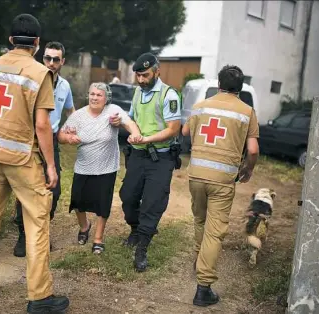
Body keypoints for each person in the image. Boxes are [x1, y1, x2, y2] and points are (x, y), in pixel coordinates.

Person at [0, 13, 69, 313]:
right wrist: (51, 165)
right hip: (21, 159)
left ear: (11, 40)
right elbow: (42, 125)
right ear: (37, 44)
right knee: (37, 222)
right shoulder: (41, 74)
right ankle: (40, 297)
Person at [182, 65, 259, 306]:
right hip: (223, 180)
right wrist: (247, 169)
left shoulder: (200, 106)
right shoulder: (247, 111)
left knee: (200, 221)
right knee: (215, 230)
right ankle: (203, 288)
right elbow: (253, 150)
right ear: (241, 87)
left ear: (218, 83)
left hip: (196, 176)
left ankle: (198, 259)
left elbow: (185, 131)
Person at [110, 52, 182, 272]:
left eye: (145, 75)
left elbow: (173, 129)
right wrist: (119, 121)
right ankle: (135, 229)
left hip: (160, 158)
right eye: (138, 76)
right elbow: (131, 118)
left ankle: (142, 247)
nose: (141, 80)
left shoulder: (169, 95)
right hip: (138, 155)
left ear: (157, 71)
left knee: (152, 202)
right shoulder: (137, 93)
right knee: (128, 197)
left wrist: (147, 138)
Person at [58, 82, 141, 253]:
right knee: (78, 202)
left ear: (106, 98)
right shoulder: (78, 116)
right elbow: (60, 135)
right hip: (83, 166)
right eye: (92, 94)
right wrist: (68, 139)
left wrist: (135, 133)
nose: (94, 98)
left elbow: (129, 123)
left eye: (99, 95)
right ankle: (84, 226)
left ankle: (98, 239)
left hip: (106, 167)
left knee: (103, 204)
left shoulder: (113, 111)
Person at [12, 41, 76, 257]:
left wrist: (76, 129)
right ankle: (23, 236)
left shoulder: (65, 86)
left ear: (62, 62)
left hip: (51, 142)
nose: (50, 62)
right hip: (28, 140)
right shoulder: (31, 79)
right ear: (42, 58)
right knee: (25, 189)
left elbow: (70, 111)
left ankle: (40, 233)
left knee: (53, 191)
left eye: (55, 59)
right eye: (47, 58)